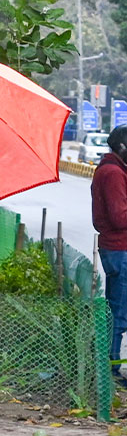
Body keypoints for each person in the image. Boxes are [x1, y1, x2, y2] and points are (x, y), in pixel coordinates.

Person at [92, 125, 127, 388]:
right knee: (119, 311)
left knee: (117, 308)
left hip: (116, 248)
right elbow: (119, 217)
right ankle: (111, 369)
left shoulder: (112, 170)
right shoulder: (113, 173)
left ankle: (110, 365)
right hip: (119, 249)